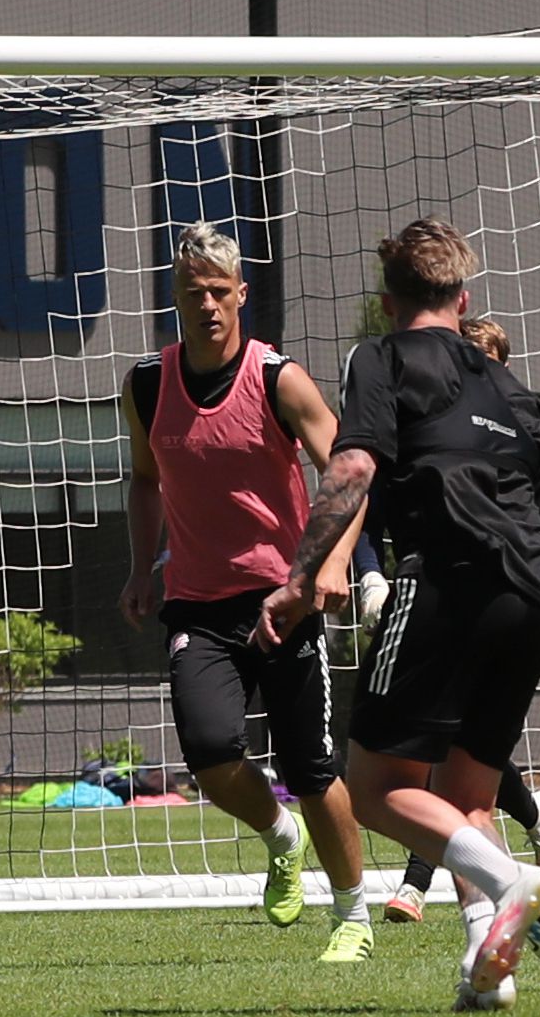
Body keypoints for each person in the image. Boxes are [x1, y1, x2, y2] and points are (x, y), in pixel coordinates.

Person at [316, 220, 540, 1009]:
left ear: (387, 300)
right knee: (467, 796)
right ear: (462, 300)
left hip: (446, 581)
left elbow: (355, 463)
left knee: (371, 787)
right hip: (531, 596)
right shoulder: (513, 388)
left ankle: (511, 881)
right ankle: (483, 975)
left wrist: (310, 572)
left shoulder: (378, 356)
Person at [120, 223, 380, 962]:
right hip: (197, 605)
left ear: (240, 294)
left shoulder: (277, 377)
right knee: (208, 751)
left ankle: (352, 916)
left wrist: (331, 565)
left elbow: (352, 468)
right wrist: (142, 566)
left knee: (311, 766)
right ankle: (278, 833)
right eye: (189, 292)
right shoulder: (146, 383)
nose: (204, 304)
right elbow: (143, 480)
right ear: (173, 298)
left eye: (216, 291)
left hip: (285, 600)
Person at [378, 313, 540, 926]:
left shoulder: (526, 421)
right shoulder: (432, 423)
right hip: (443, 599)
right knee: (452, 764)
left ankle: (425, 884)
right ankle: (532, 825)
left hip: (512, 602)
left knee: (437, 766)